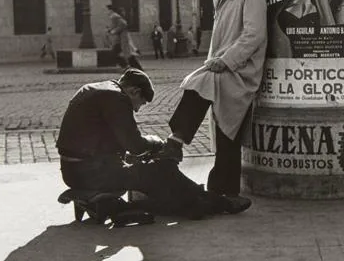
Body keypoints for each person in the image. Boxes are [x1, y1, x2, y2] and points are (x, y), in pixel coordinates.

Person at [160, 0, 267, 212]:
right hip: (223, 70)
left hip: (239, 71)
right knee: (225, 133)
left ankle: (177, 139)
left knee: (201, 83)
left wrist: (225, 61)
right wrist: (218, 62)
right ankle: (225, 193)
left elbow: (254, 35)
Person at [56, 68, 244, 220]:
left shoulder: (97, 89)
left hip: (73, 171)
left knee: (153, 175)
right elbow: (135, 145)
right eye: (140, 103)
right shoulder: (117, 98)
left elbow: (109, 141)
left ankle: (196, 202)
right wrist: (156, 143)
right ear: (134, 91)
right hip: (93, 173)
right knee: (161, 170)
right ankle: (214, 202)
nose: (136, 109)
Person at [108, 5, 143, 70]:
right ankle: (132, 67)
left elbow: (123, 24)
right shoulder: (115, 17)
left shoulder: (115, 17)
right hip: (120, 40)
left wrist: (113, 31)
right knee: (125, 55)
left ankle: (129, 67)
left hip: (121, 40)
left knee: (121, 54)